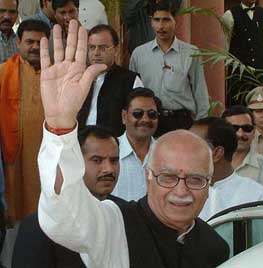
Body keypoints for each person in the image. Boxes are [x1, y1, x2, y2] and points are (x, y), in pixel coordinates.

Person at [37, 19, 229, 267]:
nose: (181, 192)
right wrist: (60, 128)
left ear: (209, 184)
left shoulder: (215, 247)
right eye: (168, 177)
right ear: (148, 176)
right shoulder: (115, 224)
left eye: (195, 179)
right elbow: (65, 217)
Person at [12, 126, 125, 268]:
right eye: (97, 160)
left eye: (114, 160)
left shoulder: (126, 214)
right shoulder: (40, 225)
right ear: (75, 163)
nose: (109, 169)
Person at [129, 0, 209, 136]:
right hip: (150, 121)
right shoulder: (139, 54)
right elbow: (133, 93)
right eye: (156, 20)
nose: (161, 26)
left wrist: (200, 129)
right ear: (151, 21)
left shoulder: (191, 53)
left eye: (166, 20)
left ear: (175, 20)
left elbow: (199, 92)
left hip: (181, 121)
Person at [0, 19, 50, 223]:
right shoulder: (3, 73)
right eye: (30, 41)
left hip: (49, 159)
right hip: (13, 162)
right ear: (18, 42)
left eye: (41, 42)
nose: (35, 47)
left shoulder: (57, 74)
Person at [190, 117, 263, 221]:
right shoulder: (179, 191)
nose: (183, 153)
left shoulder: (259, 198)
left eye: (192, 147)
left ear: (217, 153)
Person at [77, 24, 143, 136]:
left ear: (116, 50)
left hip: (114, 147)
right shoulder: (79, 78)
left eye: (102, 48)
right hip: (80, 144)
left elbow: (139, 119)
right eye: (92, 47)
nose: (96, 53)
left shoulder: (130, 80)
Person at [112, 88, 160, 201]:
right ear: (124, 116)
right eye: (138, 114)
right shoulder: (109, 152)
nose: (145, 119)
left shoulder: (167, 154)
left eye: (152, 114)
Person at [222, 0, 263, 106]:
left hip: (259, 71)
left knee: (260, 105)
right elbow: (226, 44)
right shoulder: (229, 15)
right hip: (238, 72)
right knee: (238, 105)